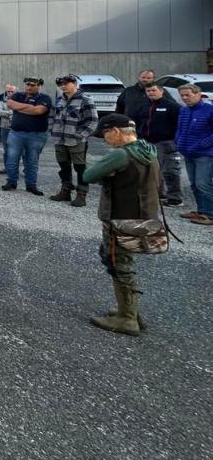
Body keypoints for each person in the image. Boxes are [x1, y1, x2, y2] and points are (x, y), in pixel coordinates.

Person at [82, 114, 161, 336]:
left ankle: (127, 318)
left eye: (106, 134)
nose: (105, 138)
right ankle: (131, 311)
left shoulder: (121, 155)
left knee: (119, 263)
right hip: (144, 216)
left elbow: (88, 175)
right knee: (121, 260)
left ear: (116, 131)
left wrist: (108, 175)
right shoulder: (147, 149)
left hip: (121, 217)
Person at [49, 75, 99, 207]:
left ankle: (81, 195)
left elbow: (92, 121)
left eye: (66, 83)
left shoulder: (85, 100)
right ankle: (65, 191)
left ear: (75, 84)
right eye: (61, 84)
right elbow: (52, 116)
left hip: (76, 141)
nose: (63, 86)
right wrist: (52, 129)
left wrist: (79, 135)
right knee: (63, 167)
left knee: (80, 168)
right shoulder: (59, 100)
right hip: (59, 139)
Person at [133, 84, 182, 208]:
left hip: (165, 143)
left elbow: (181, 125)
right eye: (148, 91)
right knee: (149, 171)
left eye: (154, 90)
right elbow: (137, 123)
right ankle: (158, 195)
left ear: (161, 91)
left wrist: (176, 141)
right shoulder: (143, 106)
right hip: (145, 143)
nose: (151, 93)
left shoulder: (172, 106)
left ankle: (175, 198)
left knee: (169, 171)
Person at [2, 78, 52, 195]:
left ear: (39, 86)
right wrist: (30, 108)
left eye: (32, 85)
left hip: (36, 135)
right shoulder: (17, 95)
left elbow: (38, 111)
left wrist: (19, 107)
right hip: (16, 133)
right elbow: (10, 104)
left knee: (32, 161)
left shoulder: (45, 98)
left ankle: (31, 185)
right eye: (27, 85)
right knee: (12, 159)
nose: (29, 87)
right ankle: (11, 182)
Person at [174, 83, 213, 225]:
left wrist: (202, 144)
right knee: (194, 184)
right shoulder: (184, 111)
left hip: (205, 154)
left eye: (187, 95)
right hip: (188, 153)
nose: (184, 98)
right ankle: (201, 211)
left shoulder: (209, 110)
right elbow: (179, 128)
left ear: (198, 94)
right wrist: (178, 141)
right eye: (182, 95)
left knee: (203, 183)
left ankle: (210, 214)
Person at [0, 84, 16, 173]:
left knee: (20, 150)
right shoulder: (2, 100)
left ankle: (23, 169)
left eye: (12, 91)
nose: (10, 93)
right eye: (8, 91)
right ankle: (7, 168)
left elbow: (22, 111)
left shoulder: (21, 100)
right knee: (6, 149)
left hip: (17, 128)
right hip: (5, 128)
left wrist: (6, 113)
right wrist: (10, 113)